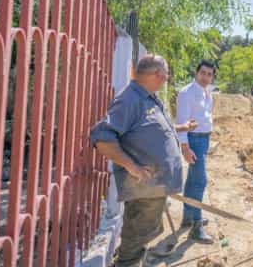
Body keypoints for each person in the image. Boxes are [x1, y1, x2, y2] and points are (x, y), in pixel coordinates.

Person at [90, 55, 183, 267]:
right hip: (144, 188)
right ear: (158, 76)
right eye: (166, 74)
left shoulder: (147, 97)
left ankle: (129, 261)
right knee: (136, 237)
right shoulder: (130, 99)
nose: (166, 78)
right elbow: (102, 137)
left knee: (140, 236)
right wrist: (132, 167)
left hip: (152, 189)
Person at [175, 60, 216, 243]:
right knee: (200, 181)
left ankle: (188, 217)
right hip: (193, 140)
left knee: (192, 180)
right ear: (196, 72)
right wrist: (185, 147)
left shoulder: (208, 92)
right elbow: (182, 121)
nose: (206, 77)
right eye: (203, 73)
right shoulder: (187, 93)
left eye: (209, 74)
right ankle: (196, 226)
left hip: (204, 138)